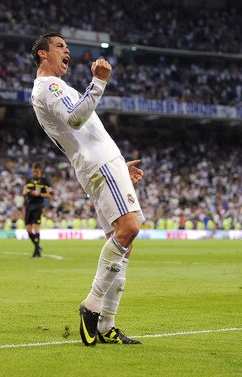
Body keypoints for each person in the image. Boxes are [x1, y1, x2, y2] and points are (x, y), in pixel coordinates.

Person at [31, 32, 145, 346]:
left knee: (123, 243)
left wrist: (121, 166)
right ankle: (92, 305)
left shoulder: (54, 87)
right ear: (43, 54)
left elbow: (82, 130)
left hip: (104, 164)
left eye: (67, 47)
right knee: (129, 229)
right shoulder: (49, 86)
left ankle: (107, 324)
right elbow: (76, 118)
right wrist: (98, 82)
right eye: (59, 46)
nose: (66, 50)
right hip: (100, 164)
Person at [22, 162, 53, 258]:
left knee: (36, 227)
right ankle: (37, 246)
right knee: (28, 229)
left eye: (36, 172)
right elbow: (24, 192)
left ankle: (36, 252)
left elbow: (49, 195)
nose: (35, 173)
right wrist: (30, 192)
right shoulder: (29, 180)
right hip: (29, 205)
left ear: (40, 171)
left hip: (38, 205)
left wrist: (39, 194)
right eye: (33, 172)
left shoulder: (45, 181)